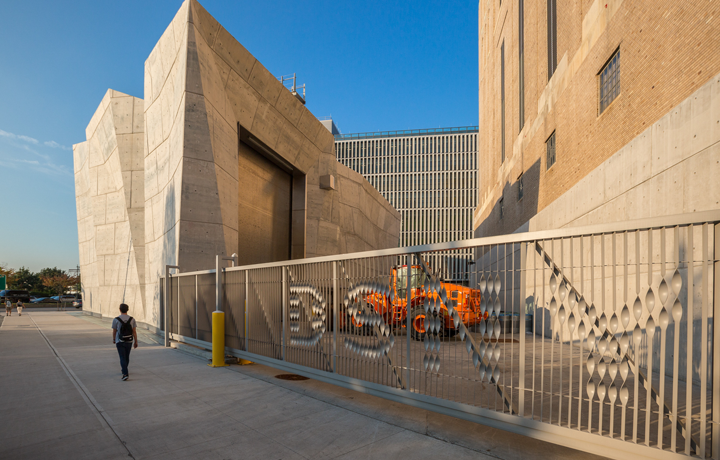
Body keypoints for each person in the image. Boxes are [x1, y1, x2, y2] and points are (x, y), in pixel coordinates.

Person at [111, 304, 138, 381]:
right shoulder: (132, 319)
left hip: (119, 341)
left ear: (120, 310)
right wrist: (136, 341)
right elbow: (134, 332)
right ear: (127, 310)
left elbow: (114, 331)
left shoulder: (116, 320)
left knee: (122, 357)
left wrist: (113, 339)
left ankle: (125, 373)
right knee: (126, 356)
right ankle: (124, 369)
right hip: (129, 340)